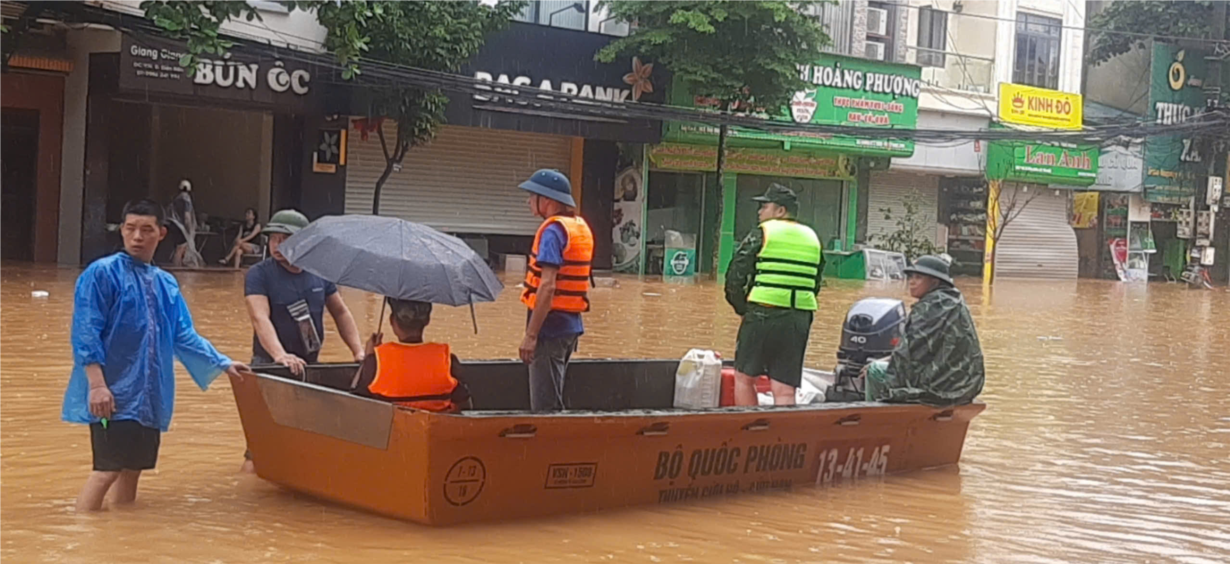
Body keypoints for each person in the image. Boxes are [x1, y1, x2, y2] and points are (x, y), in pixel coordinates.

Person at [63, 199, 249, 512]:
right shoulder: (101, 274)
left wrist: (223, 361)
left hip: (148, 395)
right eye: (131, 228)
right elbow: (85, 333)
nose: (138, 236)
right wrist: (96, 385)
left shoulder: (165, 283)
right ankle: (83, 537)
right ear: (121, 231)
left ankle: (119, 538)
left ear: (161, 234)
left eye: (146, 230)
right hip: (111, 392)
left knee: (132, 469)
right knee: (106, 469)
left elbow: (183, 334)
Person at [242, 209, 364, 472]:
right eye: (273, 239)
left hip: (309, 366)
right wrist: (279, 356)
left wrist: (358, 351)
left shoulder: (319, 273)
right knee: (258, 450)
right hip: (269, 367)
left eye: (285, 239)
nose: (277, 246)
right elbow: (259, 318)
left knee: (305, 440)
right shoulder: (259, 274)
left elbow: (341, 312)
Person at [725, 184, 824, 406]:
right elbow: (815, 282)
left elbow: (735, 277)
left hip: (763, 312)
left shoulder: (763, 232)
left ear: (780, 211)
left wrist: (742, 309)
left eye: (764, 206)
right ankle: (784, 437)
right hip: (799, 318)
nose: (759, 212)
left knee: (744, 377)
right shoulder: (812, 237)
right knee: (784, 387)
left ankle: (750, 432)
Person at [517, 169, 594, 412]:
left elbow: (547, 286)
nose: (528, 201)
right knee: (554, 399)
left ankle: (548, 450)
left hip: (549, 330)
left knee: (545, 409)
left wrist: (531, 336)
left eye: (532, 196)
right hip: (569, 327)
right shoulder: (576, 226)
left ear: (547, 201)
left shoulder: (552, 232)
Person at [865, 255, 985, 406]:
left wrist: (881, 367)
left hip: (937, 390)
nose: (912, 282)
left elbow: (909, 358)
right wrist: (888, 359)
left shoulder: (929, 308)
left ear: (934, 282)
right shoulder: (953, 300)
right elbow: (920, 350)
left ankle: (876, 422)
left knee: (875, 371)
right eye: (911, 277)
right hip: (965, 386)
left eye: (919, 277)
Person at [350, 298, 470, 412]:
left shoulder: (377, 362)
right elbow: (465, 405)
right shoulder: (447, 360)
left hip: (391, 432)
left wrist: (369, 357)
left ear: (392, 321)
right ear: (427, 320)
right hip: (437, 431)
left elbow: (356, 401)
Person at [167, 179, 202, 268]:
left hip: (174, 225)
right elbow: (187, 216)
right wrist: (189, 229)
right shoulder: (186, 199)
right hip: (181, 228)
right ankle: (176, 268)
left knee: (179, 248)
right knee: (180, 248)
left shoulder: (176, 198)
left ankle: (177, 267)